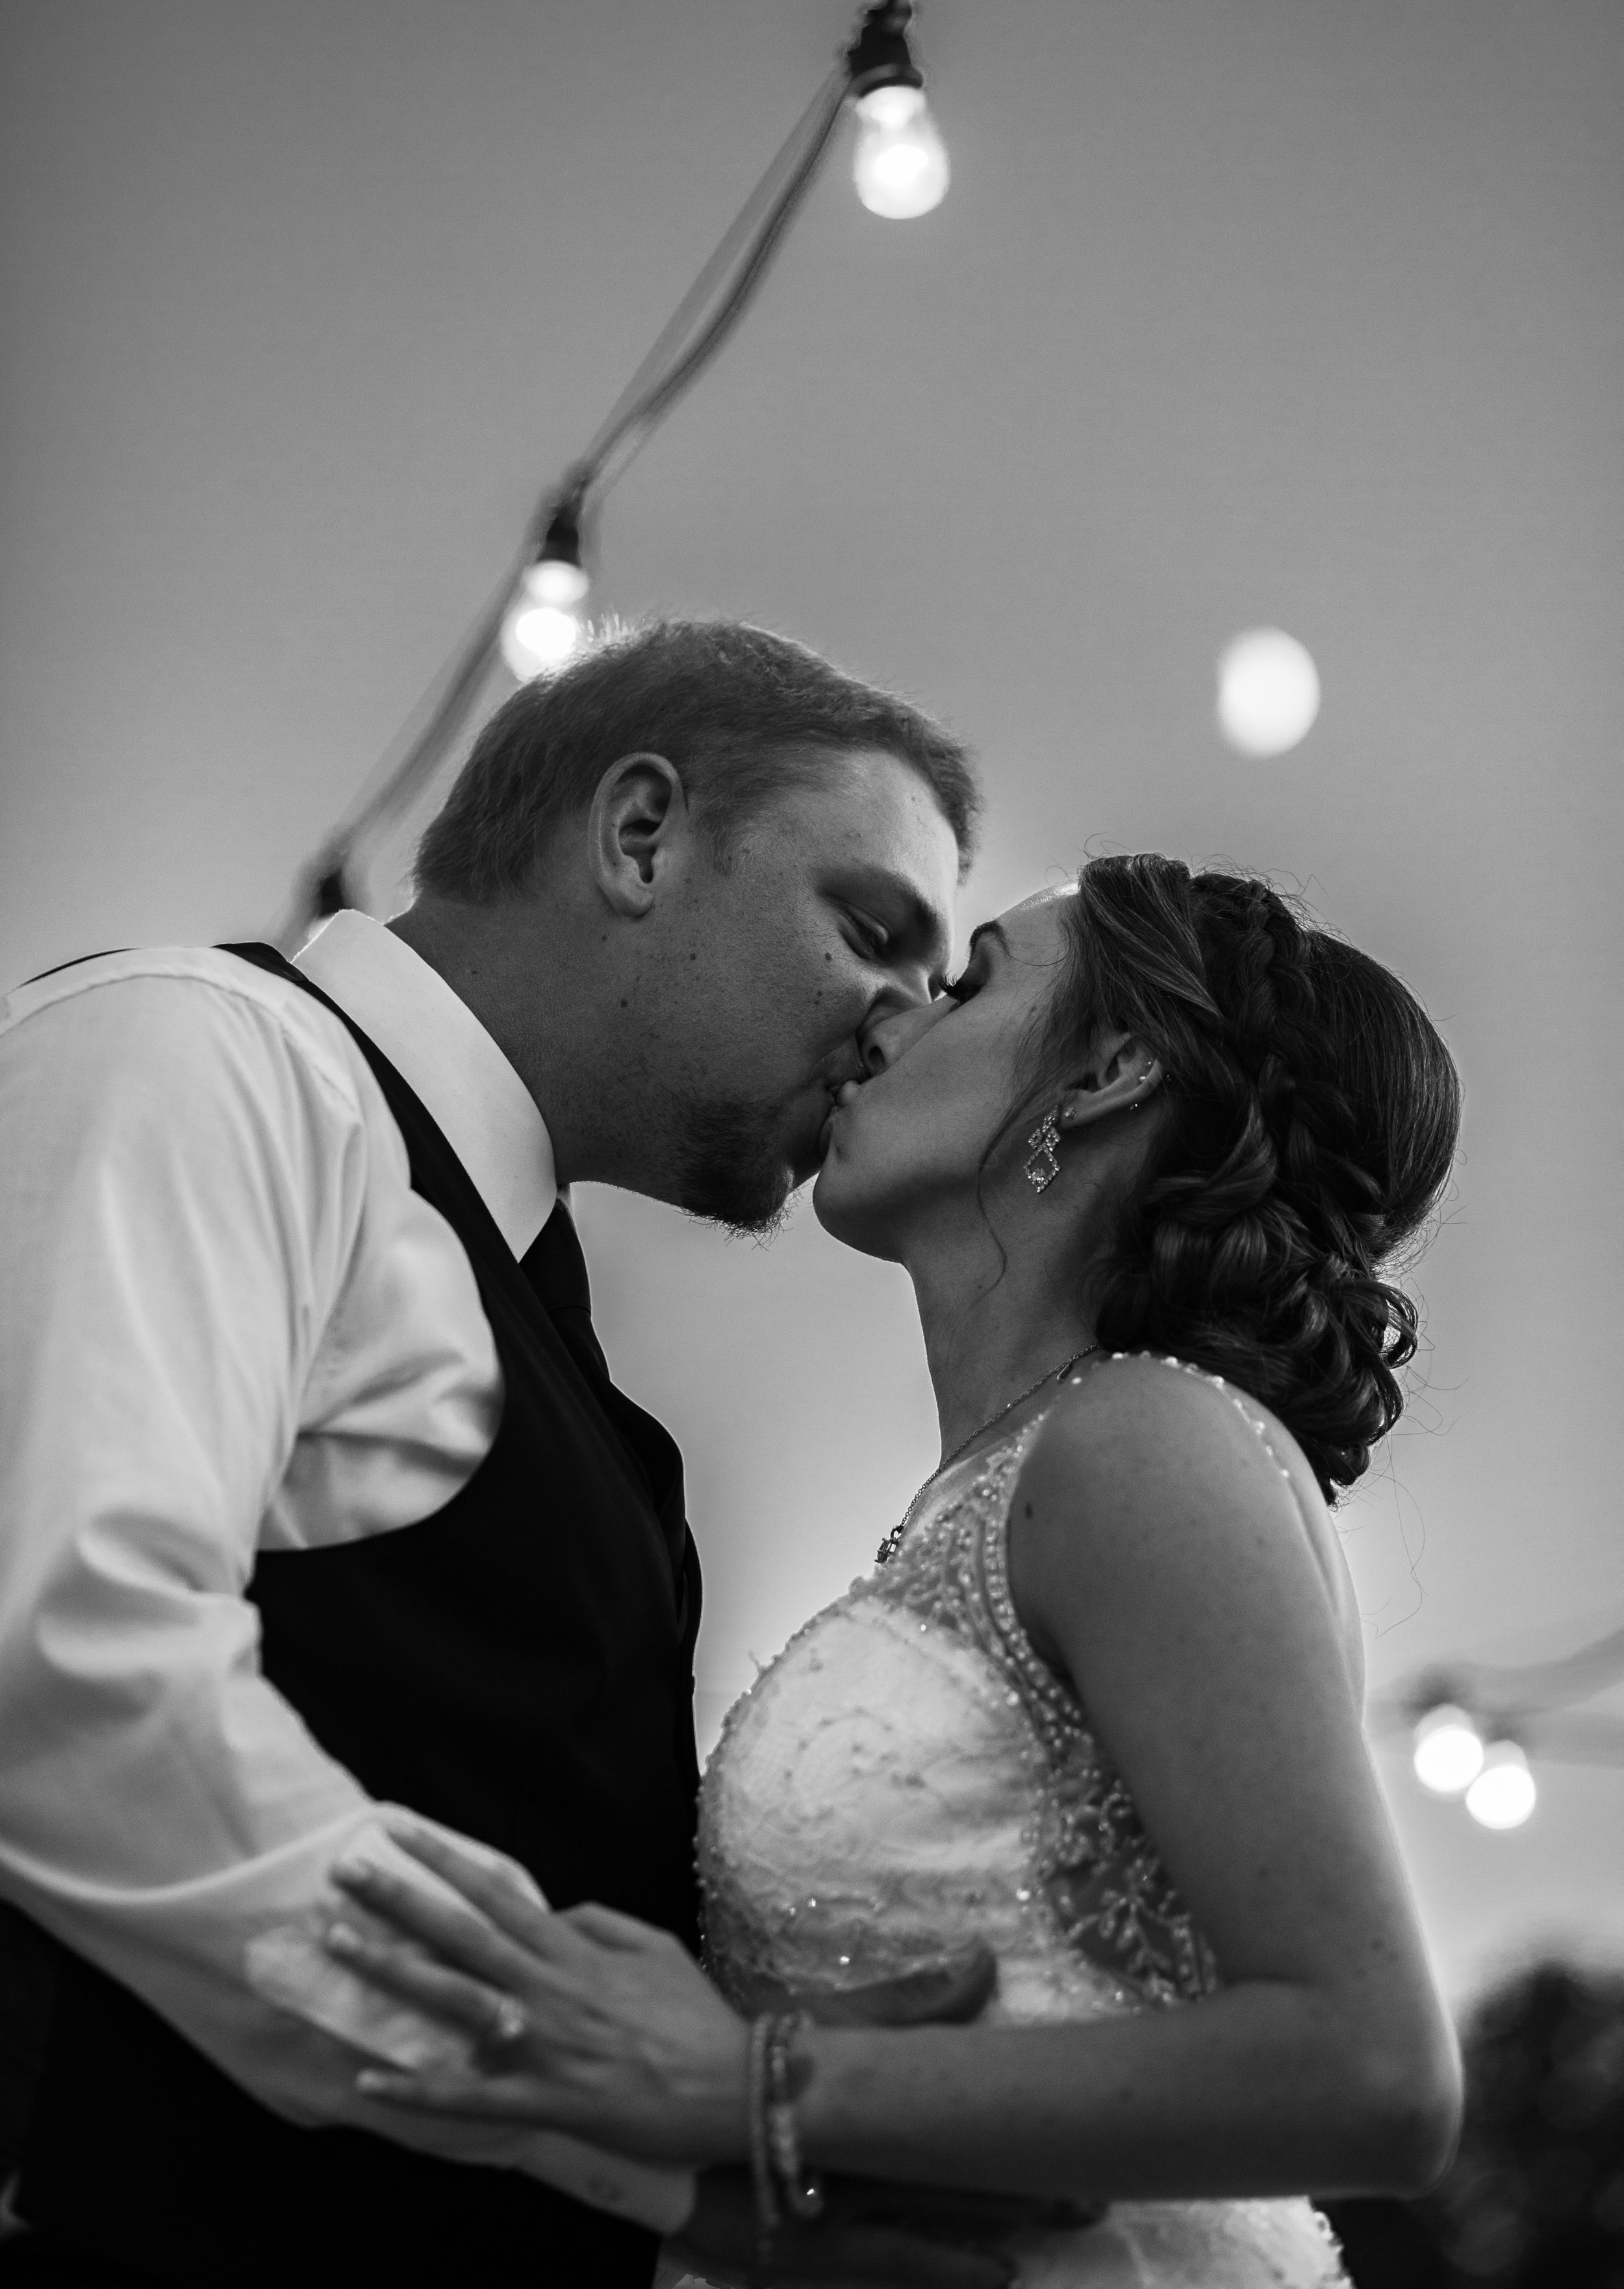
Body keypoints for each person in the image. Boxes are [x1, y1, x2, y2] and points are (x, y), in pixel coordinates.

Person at [0, 619, 1022, 2289]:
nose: (900, 1026)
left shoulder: (554, 1328)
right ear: (639, 837)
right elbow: (61, 1671)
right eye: (870, 932)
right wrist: (620, 2127)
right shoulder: (201, 1057)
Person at [311, 854, 1468, 2288]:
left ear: (1108, 1072)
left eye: (969, 980)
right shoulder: (1011, 1479)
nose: (883, 1019)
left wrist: (748, 2082)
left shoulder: (1144, 1442)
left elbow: (1370, 2070)